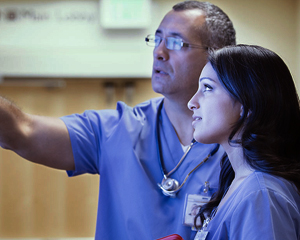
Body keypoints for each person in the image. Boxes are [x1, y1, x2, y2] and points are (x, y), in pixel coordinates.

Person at [0, 1, 236, 239]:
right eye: (157, 39)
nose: (159, 52)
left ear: (217, 57)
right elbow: (22, 130)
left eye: (175, 42)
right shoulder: (115, 130)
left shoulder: (243, 142)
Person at [188, 44, 300, 239]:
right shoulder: (240, 183)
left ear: (247, 103)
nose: (192, 102)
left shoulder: (261, 195)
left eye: (207, 88)